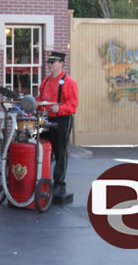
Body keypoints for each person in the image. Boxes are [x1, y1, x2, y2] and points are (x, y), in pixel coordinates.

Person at [37, 51, 78, 200]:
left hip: (62, 120)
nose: (50, 65)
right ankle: (43, 179)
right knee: (43, 148)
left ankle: (59, 183)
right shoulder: (46, 81)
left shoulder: (69, 82)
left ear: (61, 63)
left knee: (61, 151)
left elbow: (73, 105)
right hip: (47, 119)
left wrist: (60, 108)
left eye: (52, 63)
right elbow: (41, 99)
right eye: (49, 62)